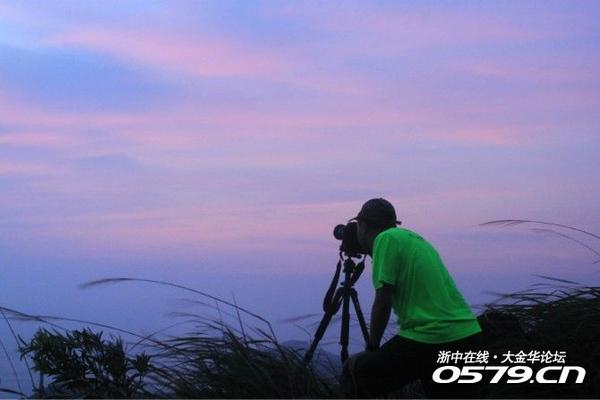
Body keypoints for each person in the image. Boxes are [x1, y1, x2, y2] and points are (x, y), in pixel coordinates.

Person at [341, 198, 483, 398]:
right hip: (467, 335)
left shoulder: (385, 239)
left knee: (355, 373)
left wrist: (372, 348)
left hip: (431, 336)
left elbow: (383, 302)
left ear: (362, 226)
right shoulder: (414, 239)